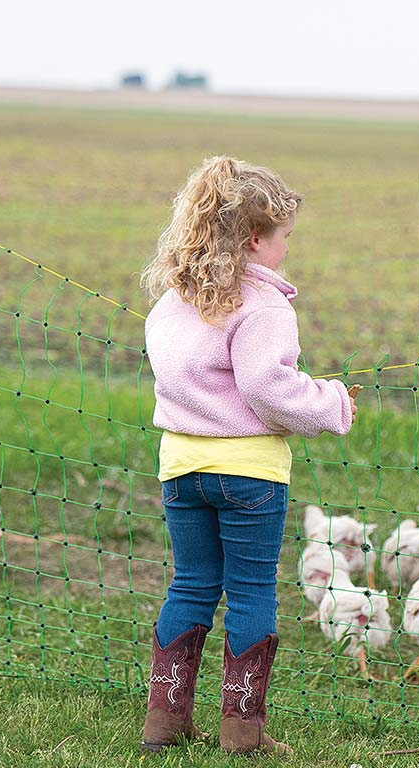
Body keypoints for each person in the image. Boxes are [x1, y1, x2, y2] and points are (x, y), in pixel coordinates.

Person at [139, 156, 358, 755]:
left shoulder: (171, 305)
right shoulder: (264, 307)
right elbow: (267, 388)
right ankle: (243, 730)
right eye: (285, 235)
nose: (289, 246)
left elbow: (187, 378)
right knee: (253, 591)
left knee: (189, 586)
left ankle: (165, 721)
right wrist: (331, 401)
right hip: (250, 474)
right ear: (256, 239)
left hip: (181, 469)